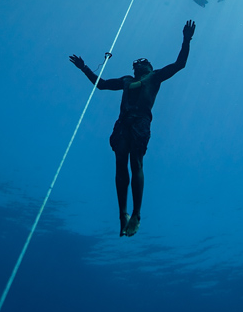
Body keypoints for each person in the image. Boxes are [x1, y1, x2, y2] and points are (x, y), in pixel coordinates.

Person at [69, 20, 195, 237]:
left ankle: (136, 213)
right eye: (135, 63)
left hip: (140, 122)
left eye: (142, 62)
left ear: (150, 67)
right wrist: (84, 68)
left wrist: (186, 39)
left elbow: (180, 63)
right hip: (123, 123)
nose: (138, 64)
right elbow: (102, 84)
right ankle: (123, 214)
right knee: (120, 165)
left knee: (135, 162)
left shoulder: (155, 77)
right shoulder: (126, 80)